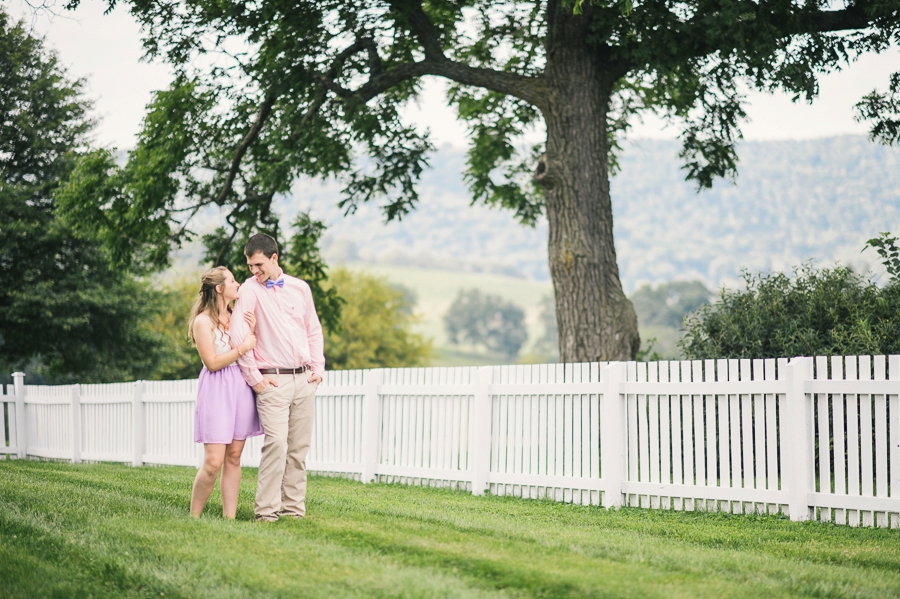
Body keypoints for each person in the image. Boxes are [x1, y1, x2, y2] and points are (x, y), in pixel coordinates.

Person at [229, 233, 325, 522]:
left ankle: (294, 510)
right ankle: (266, 513)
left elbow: (313, 330)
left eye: (258, 264)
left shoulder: (300, 288)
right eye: (249, 266)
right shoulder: (249, 290)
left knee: (298, 449)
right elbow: (238, 335)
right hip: (272, 381)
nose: (254, 271)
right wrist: (255, 378)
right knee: (277, 445)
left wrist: (318, 369)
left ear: (274, 258)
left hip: (304, 379)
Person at [188, 266, 263, 518]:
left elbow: (251, 349)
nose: (238, 283)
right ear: (220, 288)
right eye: (232, 280)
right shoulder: (203, 322)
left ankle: (228, 518)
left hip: (240, 386)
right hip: (217, 388)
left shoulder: (237, 316)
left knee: (234, 457)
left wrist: (250, 332)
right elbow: (212, 362)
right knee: (213, 462)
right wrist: (243, 347)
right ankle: (194, 517)